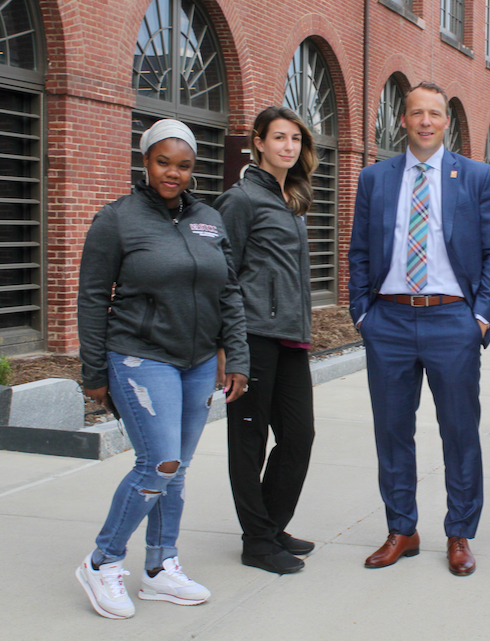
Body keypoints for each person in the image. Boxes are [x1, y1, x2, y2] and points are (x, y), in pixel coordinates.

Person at [76, 119, 249, 619]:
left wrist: (235, 355)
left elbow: (229, 292)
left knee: (178, 469)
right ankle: (102, 560)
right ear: (146, 160)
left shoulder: (209, 219)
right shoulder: (117, 219)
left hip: (197, 363)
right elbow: (91, 298)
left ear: (194, 168)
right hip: (139, 355)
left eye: (184, 165)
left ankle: (159, 567)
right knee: (159, 464)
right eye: (163, 162)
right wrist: (93, 372)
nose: (173, 173)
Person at [348, 81, 490, 576]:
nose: (424, 121)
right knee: (392, 431)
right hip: (389, 319)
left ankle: (459, 533)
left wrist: (478, 318)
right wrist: (362, 315)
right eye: (416, 113)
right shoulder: (375, 178)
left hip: (451, 319)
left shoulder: (476, 176)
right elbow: (358, 252)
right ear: (403, 119)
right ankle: (402, 530)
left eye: (434, 113)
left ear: (446, 122)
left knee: (459, 432)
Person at [214, 107, 318, 575]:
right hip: (252, 337)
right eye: (279, 138)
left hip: (290, 339)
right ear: (258, 142)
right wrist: (227, 346)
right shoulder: (241, 200)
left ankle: (272, 526)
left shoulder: (290, 198)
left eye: (295, 139)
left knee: (299, 436)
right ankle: (257, 541)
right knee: (249, 442)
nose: (288, 147)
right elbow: (223, 276)